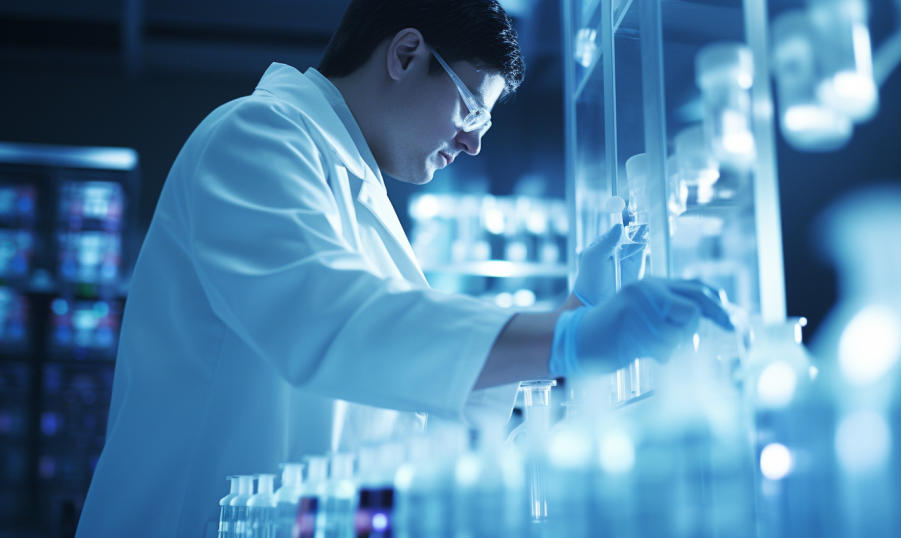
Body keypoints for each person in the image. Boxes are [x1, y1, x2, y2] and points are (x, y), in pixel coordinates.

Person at [76, 1, 732, 536]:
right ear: (405, 54)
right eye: (473, 108)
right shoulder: (253, 138)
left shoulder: (358, 188)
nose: (475, 141)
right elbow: (334, 321)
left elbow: (405, 406)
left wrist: (570, 321)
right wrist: (563, 340)